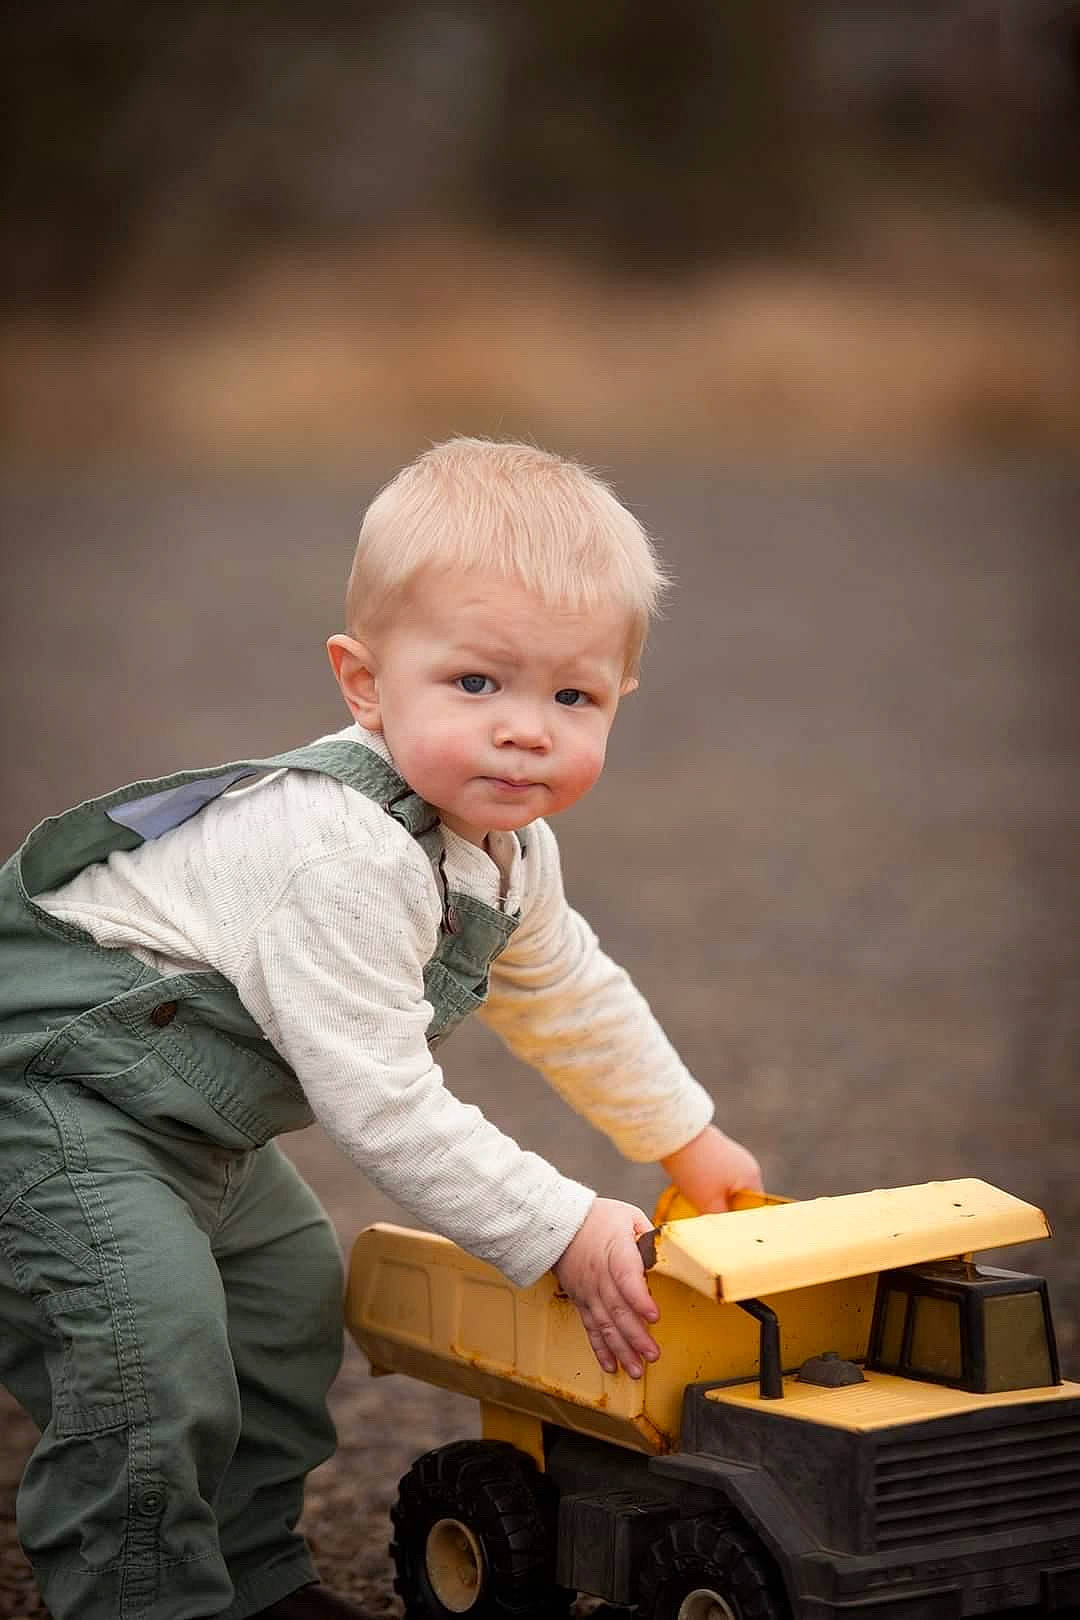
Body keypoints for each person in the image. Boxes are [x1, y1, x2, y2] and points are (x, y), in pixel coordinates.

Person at [0, 438, 761, 1620]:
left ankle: (253, 1580)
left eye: (574, 696)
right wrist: (558, 1225)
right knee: (148, 1360)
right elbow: (380, 1099)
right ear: (364, 683)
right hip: (56, 1102)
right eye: (477, 684)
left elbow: (566, 989)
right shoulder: (341, 854)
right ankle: (144, 1600)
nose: (526, 730)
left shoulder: (510, 851)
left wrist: (686, 1137)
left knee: (284, 1306)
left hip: (180, 1127)